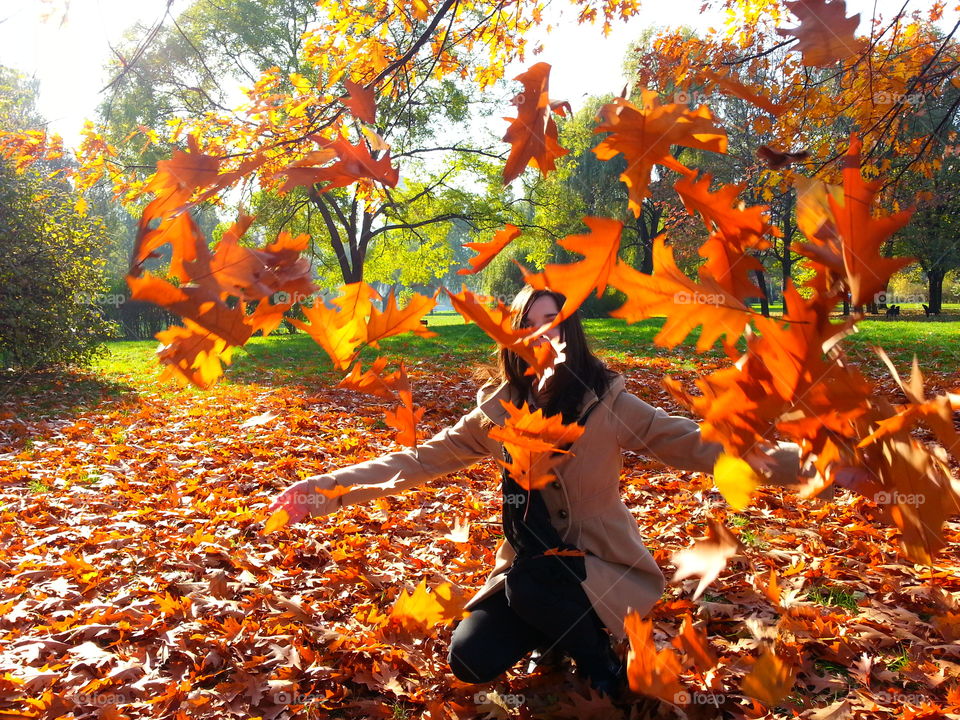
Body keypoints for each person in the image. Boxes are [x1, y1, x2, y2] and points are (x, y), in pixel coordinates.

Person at [267, 286, 807, 701]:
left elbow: (694, 445)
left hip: (604, 565)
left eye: (552, 321)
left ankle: (610, 675)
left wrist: (811, 465)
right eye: (527, 325)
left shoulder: (606, 399)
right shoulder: (497, 410)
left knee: (535, 592)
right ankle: (558, 633)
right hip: (529, 567)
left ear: (571, 327)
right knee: (471, 660)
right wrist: (318, 492)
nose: (541, 333)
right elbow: (415, 462)